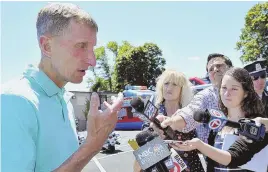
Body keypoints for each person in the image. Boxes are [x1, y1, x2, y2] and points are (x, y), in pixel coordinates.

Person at [1, 3, 123, 172]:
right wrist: (91, 146)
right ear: (47, 46)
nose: (92, 60)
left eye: (92, 48)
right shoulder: (14, 101)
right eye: (81, 46)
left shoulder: (63, 98)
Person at [171, 67, 268, 171]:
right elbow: (212, 164)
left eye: (234, 89)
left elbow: (235, 158)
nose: (227, 94)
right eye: (224, 88)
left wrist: (200, 145)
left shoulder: (258, 124)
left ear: (246, 93)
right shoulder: (218, 122)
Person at [135, 69, 205, 171]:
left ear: (182, 89)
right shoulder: (153, 113)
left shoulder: (190, 113)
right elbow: (142, 155)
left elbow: (202, 144)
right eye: (166, 83)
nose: (169, 87)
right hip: (160, 167)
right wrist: (153, 135)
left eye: (175, 84)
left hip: (191, 167)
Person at [160, 53, 233, 143]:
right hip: (213, 154)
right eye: (210, 69)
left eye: (219, 66)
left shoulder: (247, 91)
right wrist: (171, 122)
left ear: (230, 68)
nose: (215, 69)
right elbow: (190, 113)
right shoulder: (205, 96)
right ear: (209, 76)